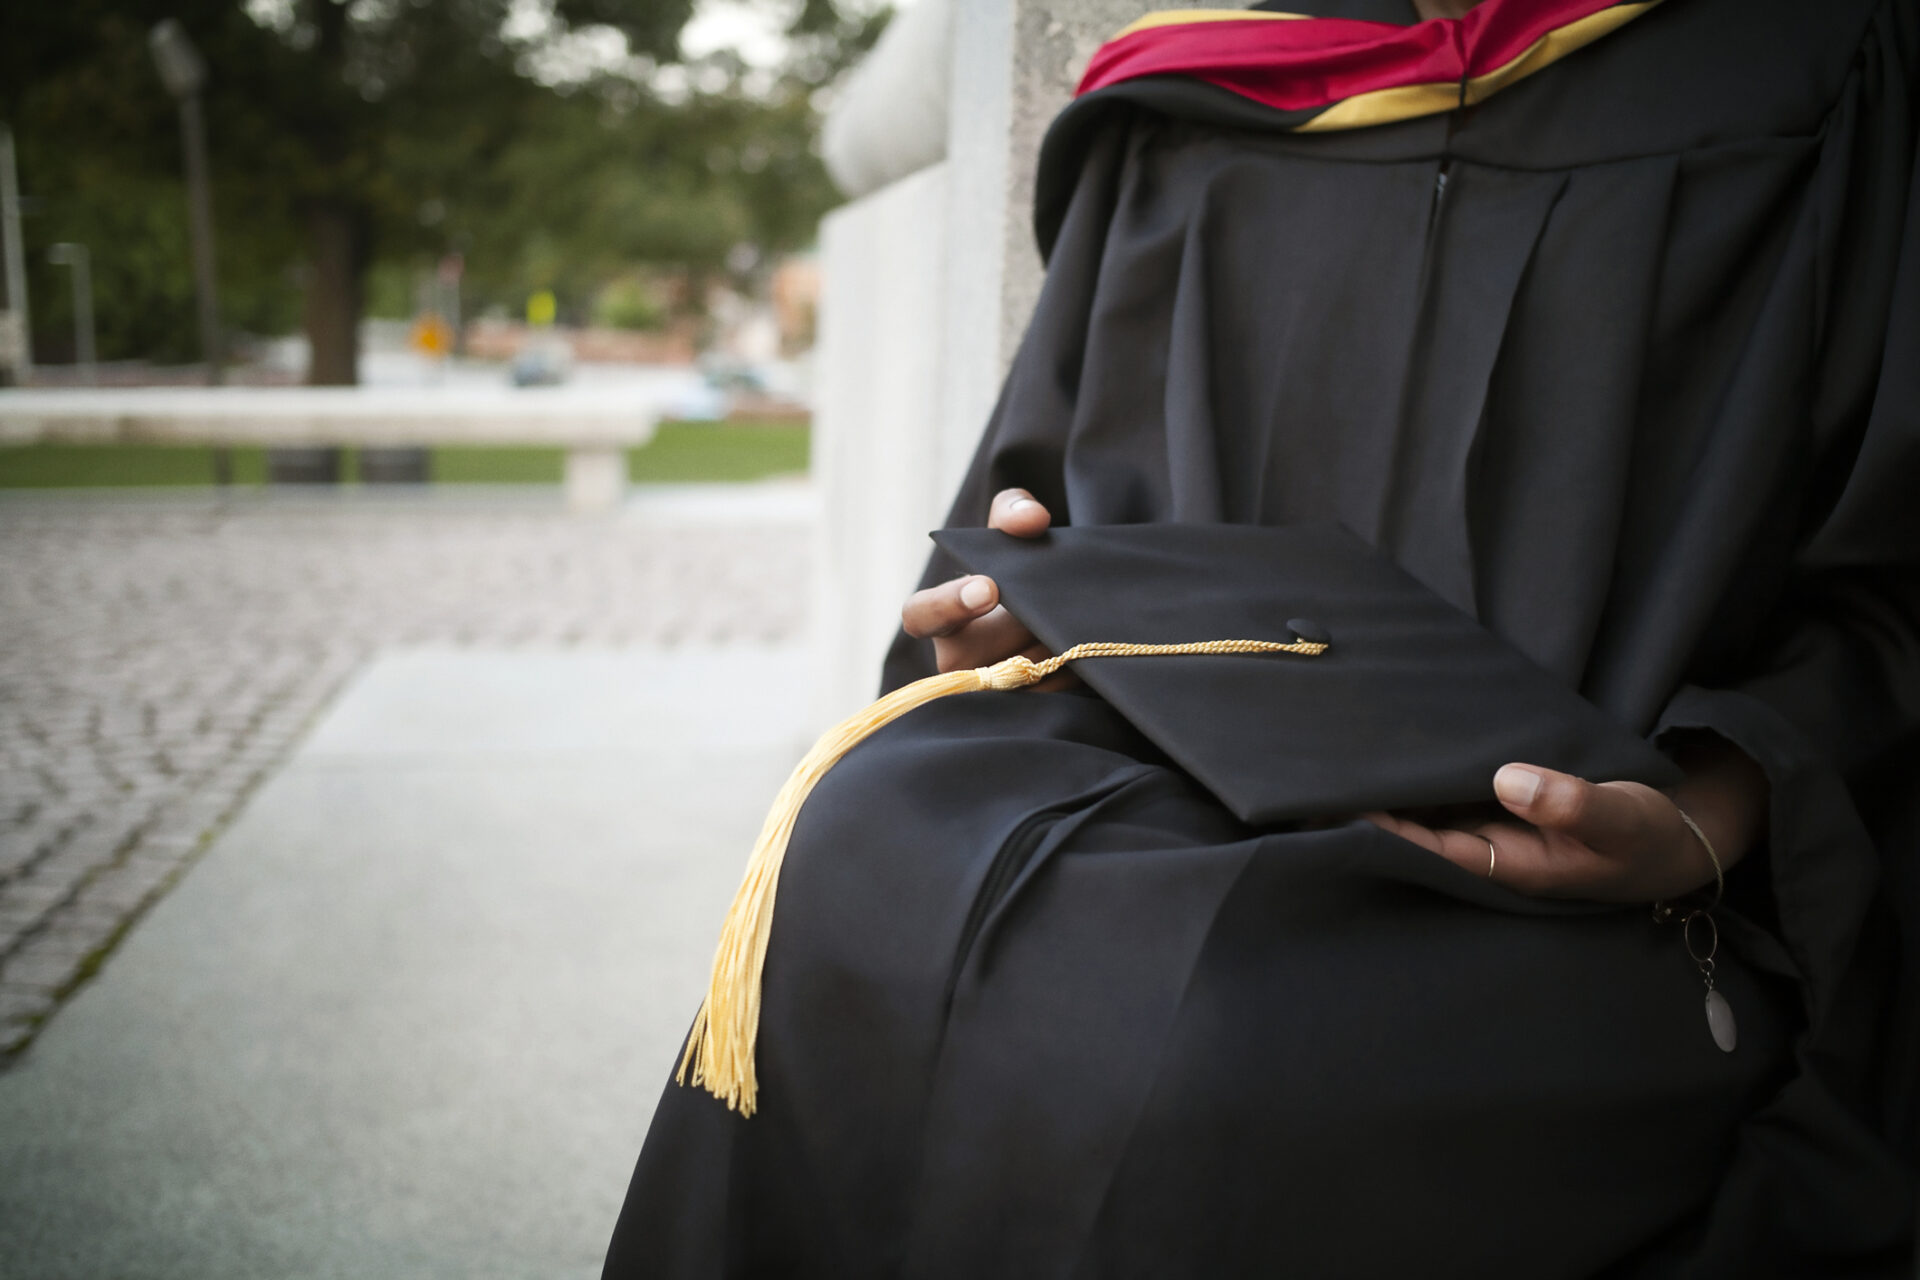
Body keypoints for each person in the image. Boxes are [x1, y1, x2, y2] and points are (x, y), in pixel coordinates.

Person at [606, 0, 1920, 1273]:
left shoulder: (1820, 67)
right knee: (863, 842)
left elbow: (1887, 581)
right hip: (1155, 778)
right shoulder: (1190, 100)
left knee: (1214, 1046)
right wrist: (1016, 625)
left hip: (1575, 877)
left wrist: (1709, 815)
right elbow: (1043, 508)